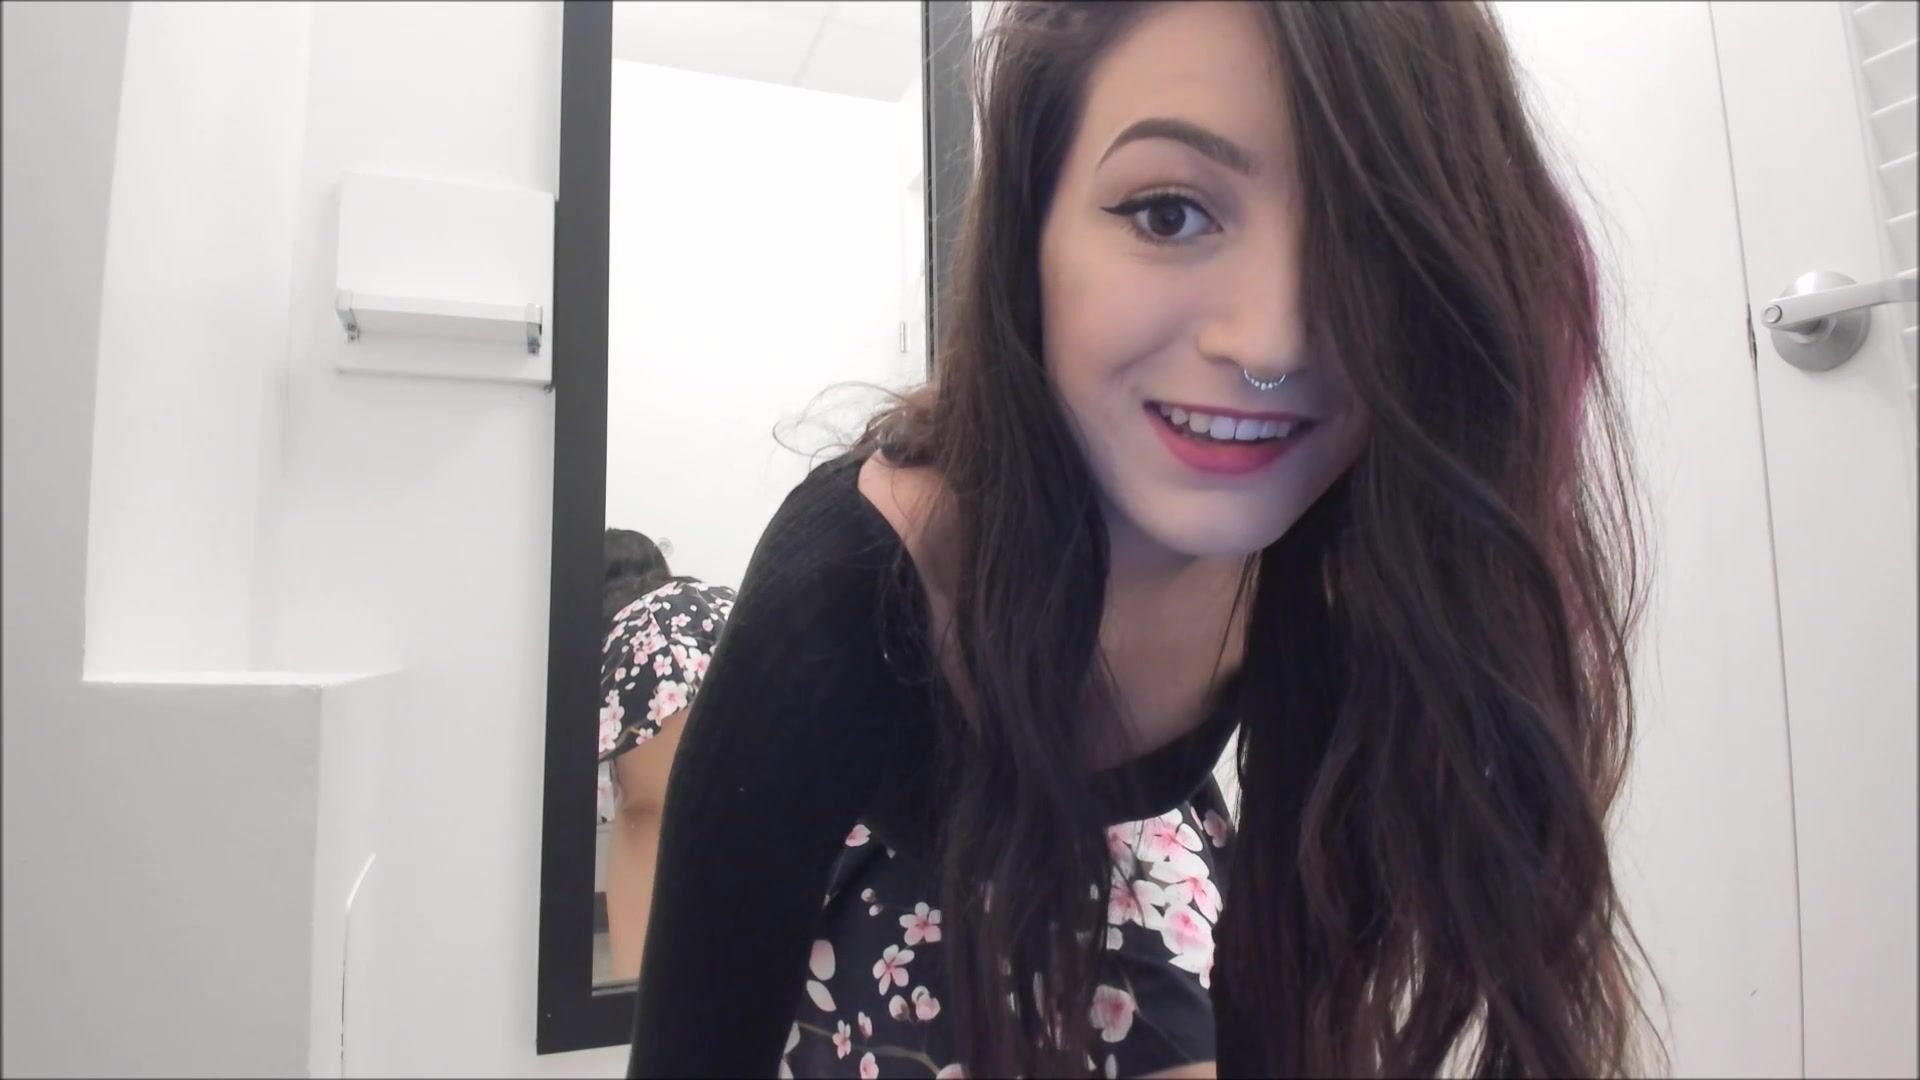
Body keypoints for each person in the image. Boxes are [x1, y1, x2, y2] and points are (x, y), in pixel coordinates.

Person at [628, 3, 1658, 1077]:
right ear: (1030, 233)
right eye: (1169, 214)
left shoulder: (1342, 560)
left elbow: (1281, 997)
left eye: (1368, 234)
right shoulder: (848, 584)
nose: (1271, 343)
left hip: (1130, 875)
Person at [597, 528, 736, 981]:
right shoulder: (715, 601)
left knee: (645, 813)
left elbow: (648, 811)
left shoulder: (644, 630)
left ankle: (637, 1003)